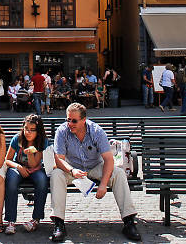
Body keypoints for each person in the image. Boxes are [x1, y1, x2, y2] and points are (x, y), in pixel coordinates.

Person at [50, 103, 141, 242]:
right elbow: (59, 159)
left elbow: (109, 159)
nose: (70, 123)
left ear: (84, 120)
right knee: (56, 175)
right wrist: (71, 170)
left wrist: (103, 184)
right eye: (68, 120)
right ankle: (58, 223)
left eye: (74, 120)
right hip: (72, 167)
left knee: (118, 174)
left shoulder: (96, 131)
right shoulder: (62, 131)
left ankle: (129, 221)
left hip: (95, 165)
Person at [3, 114, 50, 234]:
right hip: (17, 167)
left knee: (42, 180)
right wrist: (18, 166)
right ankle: (10, 221)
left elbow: (34, 164)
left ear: (38, 131)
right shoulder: (17, 138)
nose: (28, 132)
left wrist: (29, 154)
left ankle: (36, 219)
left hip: (35, 168)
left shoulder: (42, 141)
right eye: (26, 129)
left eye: (32, 130)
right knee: (11, 180)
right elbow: (7, 160)